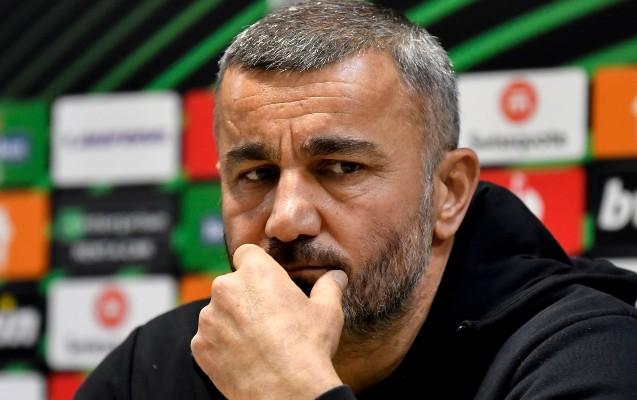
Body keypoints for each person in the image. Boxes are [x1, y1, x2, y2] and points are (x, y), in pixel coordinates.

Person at [76, 1, 637, 399]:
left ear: (448, 193)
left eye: (341, 168)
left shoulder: (583, 356)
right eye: (257, 174)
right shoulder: (160, 366)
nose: (287, 218)